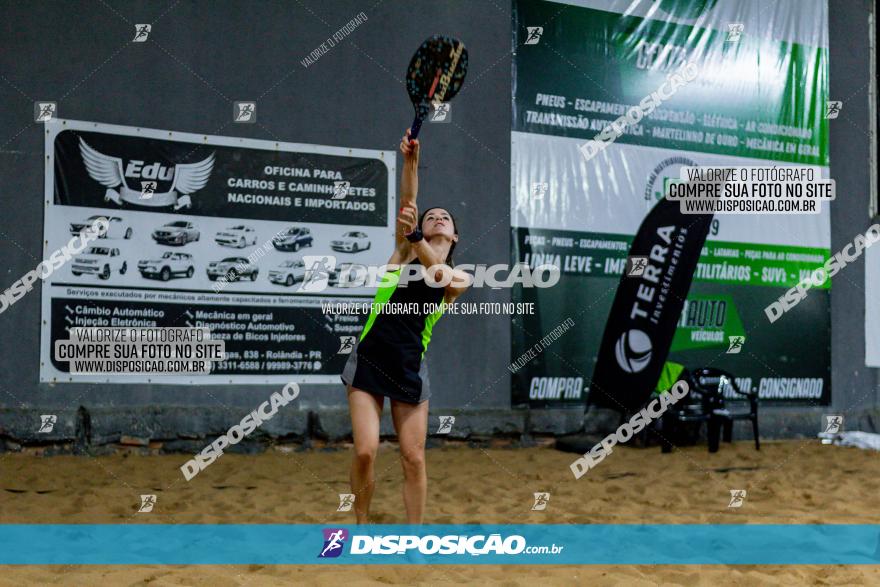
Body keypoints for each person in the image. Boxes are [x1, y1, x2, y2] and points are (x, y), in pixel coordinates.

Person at [340, 128, 469, 524]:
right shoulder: (403, 253)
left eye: (444, 218)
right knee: (365, 451)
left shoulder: (458, 276)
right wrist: (411, 159)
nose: (437, 217)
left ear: (454, 234)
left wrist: (418, 235)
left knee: (413, 457)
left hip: (410, 369)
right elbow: (410, 199)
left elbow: (442, 278)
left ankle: (412, 538)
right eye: (431, 216)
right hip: (369, 361)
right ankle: (362, 523)